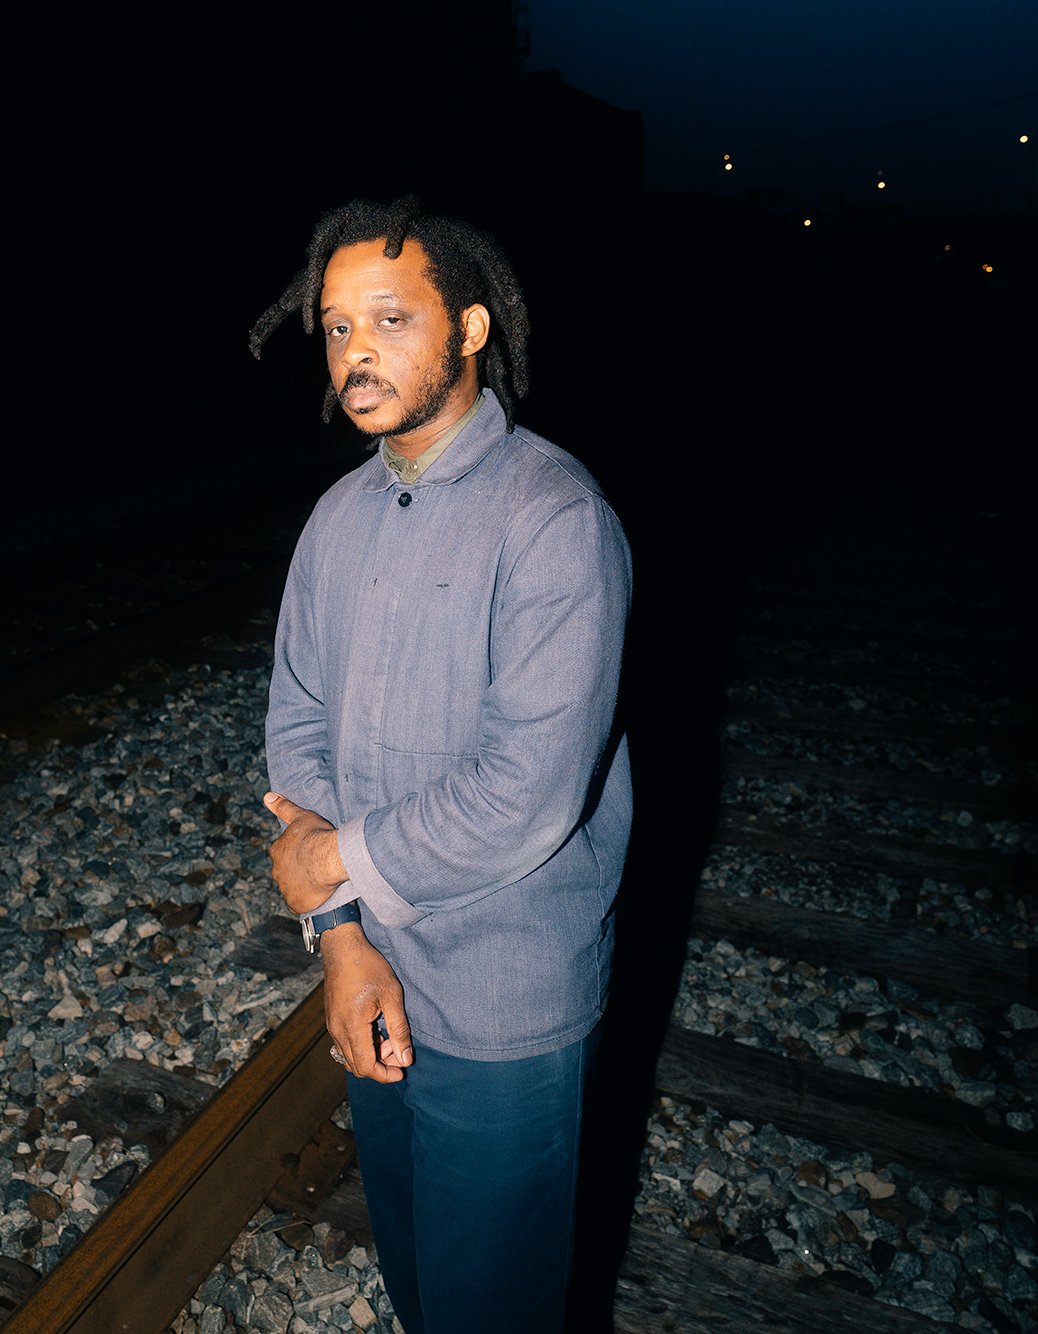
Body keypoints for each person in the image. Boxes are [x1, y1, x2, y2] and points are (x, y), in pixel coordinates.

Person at [248, 195, 632, 1334]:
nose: (357, 350)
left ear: (469, 329)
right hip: (373, 967)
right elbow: (298, 727)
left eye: (390, 319)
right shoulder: (336, 519)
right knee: (418, 1281)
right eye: (335, 327)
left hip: (507, 999)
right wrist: (342, 937)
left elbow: (529, 794)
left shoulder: (554, 518)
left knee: (493, 1307)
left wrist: (335, 865)